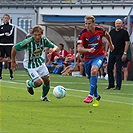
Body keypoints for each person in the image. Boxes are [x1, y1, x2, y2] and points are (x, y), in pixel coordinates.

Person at [11, 25, 59, 101]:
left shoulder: (44, 40)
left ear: (42, 34)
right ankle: (29, 84)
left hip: (40, 63)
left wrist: (53, 49)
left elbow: (55, 47)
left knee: (47, 81)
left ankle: (44, 97)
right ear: (32, 35)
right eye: (35, 35)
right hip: (30, 65)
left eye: (39, 35)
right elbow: (14, 48)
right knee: (38, 83)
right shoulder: (28, 42)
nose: (37, 37)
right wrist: (13, 61)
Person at [77, 15, 114, 106]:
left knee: (94, 70)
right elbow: (79, 49)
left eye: (89, 23)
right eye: (86, 23)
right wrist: (88, 50)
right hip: (88, 58)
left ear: (94, 23)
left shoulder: (100, 30)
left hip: (99, 56)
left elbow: (107, 35)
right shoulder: (82, 34)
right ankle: (96, 96)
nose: (87, 25)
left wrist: (111, 44)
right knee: (90, 78)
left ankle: (90, 96)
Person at [105, 19, 130, 90]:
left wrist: (125, 53)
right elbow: (108, 41)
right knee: (109, 68)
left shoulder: (124, 33)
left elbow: (126, 43)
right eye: (117, 23)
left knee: (118, 69)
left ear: (122, 24)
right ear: (115, 24)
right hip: (112, 52)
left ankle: (118, 85)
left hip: (120, 53)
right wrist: (106, 51)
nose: (118, 25)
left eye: (119, 23)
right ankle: (111, 84)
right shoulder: (112, 32)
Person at [0, 14, 14, 80]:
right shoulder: (1, 26)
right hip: (1, 45)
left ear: (9, 19)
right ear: (3, 19)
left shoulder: (11, 26)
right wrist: (4, 34)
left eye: (7, 18)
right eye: (5, 18)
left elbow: (10, 34)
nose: (6, 19)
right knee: (0, 59)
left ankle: (11, 75)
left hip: (9, 45)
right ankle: (0, 75)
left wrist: (5, 34)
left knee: (9, 60)